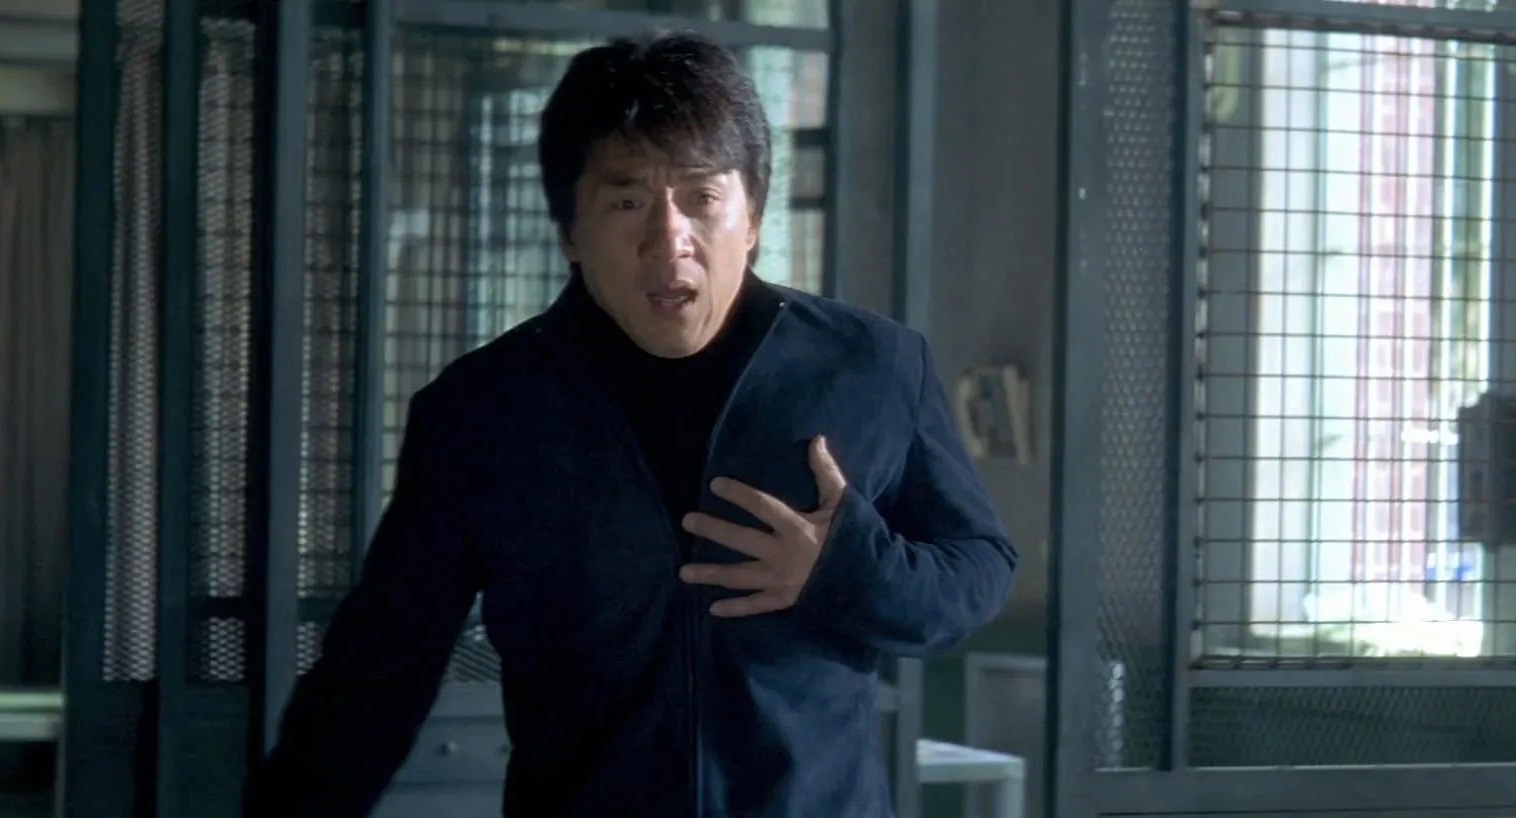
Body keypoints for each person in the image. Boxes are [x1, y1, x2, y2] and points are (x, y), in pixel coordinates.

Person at [246, 31, 1018, 818]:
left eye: (701, 197)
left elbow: (980, 568)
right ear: (569, 233)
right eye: (626, 201)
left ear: (752, 217)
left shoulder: (871, 366)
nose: (667, 238)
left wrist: (849, 570)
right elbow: (378, 668)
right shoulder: (483, 412)